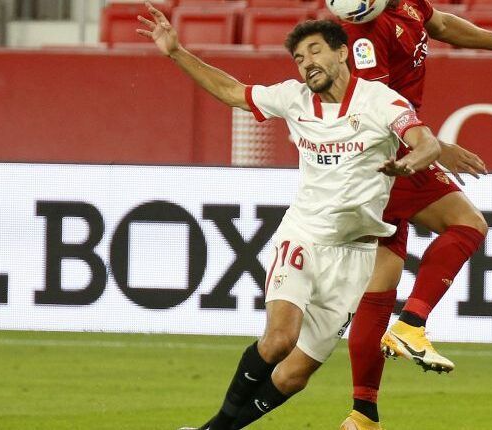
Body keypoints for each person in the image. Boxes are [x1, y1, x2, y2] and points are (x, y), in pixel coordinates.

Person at [136, 3, 443, 429]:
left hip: (354, 256)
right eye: (299, 58)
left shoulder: (381, 101)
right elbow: (231, 92)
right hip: (302, 238)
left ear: (342, 53)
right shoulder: (293, 99)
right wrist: (176, 52)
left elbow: (425, 142)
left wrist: (412, 162)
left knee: (295, 375)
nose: (306, 64)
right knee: (280, 339)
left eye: (315, 52)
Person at [339, 1, 492, 429]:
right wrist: (433, 146)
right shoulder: (364, 34)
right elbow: (374, 107)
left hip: (392, 151)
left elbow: (444, 24)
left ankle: (363, 414)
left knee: (382, 279)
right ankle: (412, 323)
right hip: (387, 153)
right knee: (467, 224)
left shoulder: (406, 4)